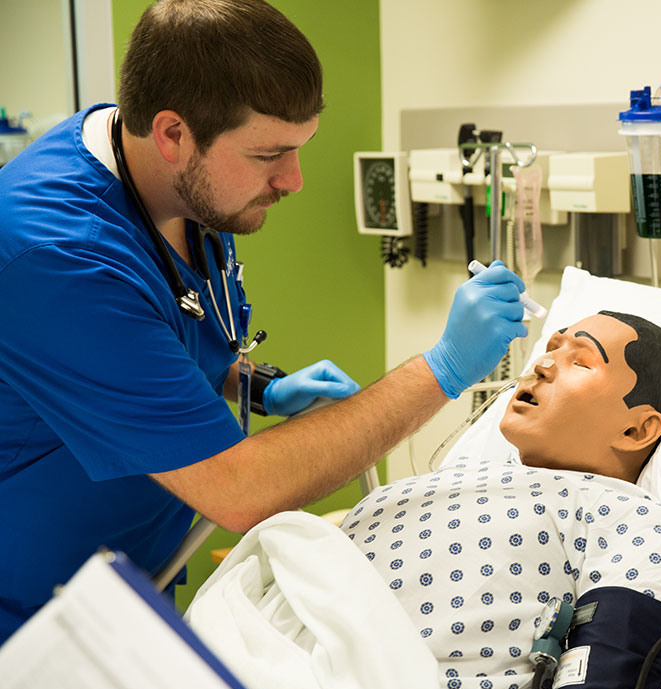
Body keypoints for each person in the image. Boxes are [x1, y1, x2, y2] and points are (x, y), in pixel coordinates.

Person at [0, 0, 527, 644]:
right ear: (172, 134)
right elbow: (239, 490)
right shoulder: (57, 252)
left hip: (126, 586)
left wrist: (254, 386)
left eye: (300, 149)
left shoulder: (163, 178)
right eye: (269, 155)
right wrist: (439, 370)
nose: (295, 180)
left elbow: (163, 330)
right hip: (28, 617)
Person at [341, 311, 661, 689]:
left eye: (580, 361)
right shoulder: (411, 490)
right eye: (550, 349)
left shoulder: (635, 519)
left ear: (636, 430)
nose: (541, 366)